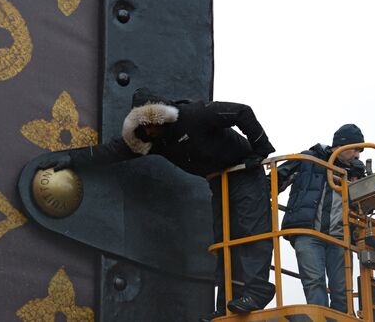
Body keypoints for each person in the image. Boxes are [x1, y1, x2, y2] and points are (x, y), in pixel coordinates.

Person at [37, 88, 277, 320]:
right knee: (225, 240)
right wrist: (72, 159)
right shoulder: (154, 142)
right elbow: (111, 152)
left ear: (160, 117)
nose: (149, 131)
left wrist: (261, 148)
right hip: (218, 180)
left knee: (250, 230)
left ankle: (257, 291)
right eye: (143, 128)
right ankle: (227, 305)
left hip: (244, 171)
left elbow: (241, 112)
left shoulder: (194, 115)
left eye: (150, 124)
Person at [275, 124, 365, 313]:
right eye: (356, 149)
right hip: (308, 232)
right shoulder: (308, 159)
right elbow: (274, 179)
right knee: (314, 282)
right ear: (342, 145)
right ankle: (320, 317)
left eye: (360, 151)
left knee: (342, 290)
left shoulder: (356, 173)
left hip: (340, 237)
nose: (358, 155)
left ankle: (340, 318)